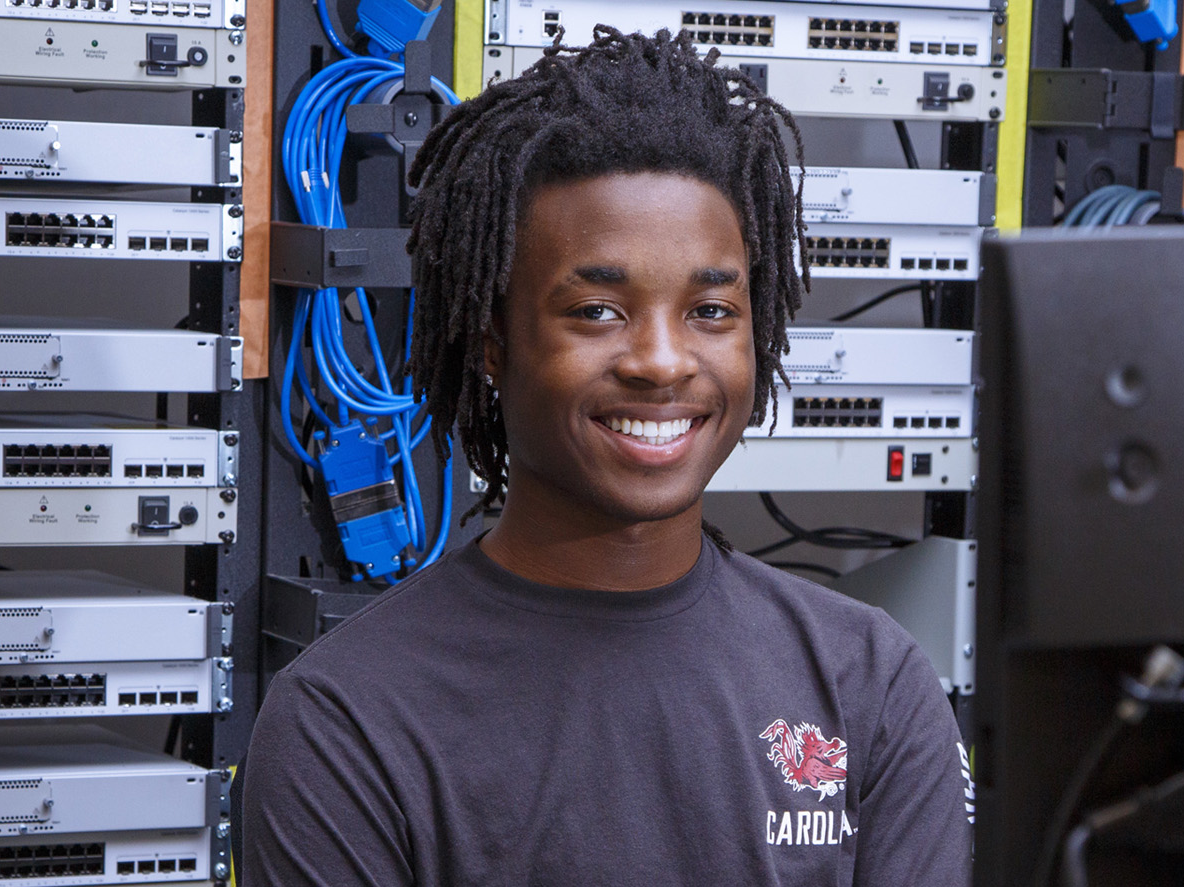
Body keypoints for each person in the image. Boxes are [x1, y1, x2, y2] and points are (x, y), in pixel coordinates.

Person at [243, 27, 972, 885]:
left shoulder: (872, 686)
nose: (662, 362)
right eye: (597, 311)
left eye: (710, 311)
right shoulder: (344, 722)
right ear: (492, 343)